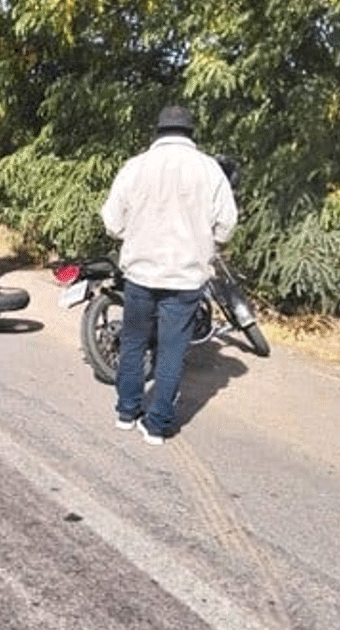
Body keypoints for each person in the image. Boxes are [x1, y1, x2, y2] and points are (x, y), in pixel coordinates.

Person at [101, 104, 238, 445]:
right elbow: (227, 224)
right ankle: (158, 423)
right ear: (191, 133)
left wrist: (134, 234)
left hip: (140, 273)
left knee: (133, 343)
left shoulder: (135, 167)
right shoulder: (209, 170)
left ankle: (127, 411)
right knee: (172, 349)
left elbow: (112, 221)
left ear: (158, 132)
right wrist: (207, 240)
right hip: (186, 277)